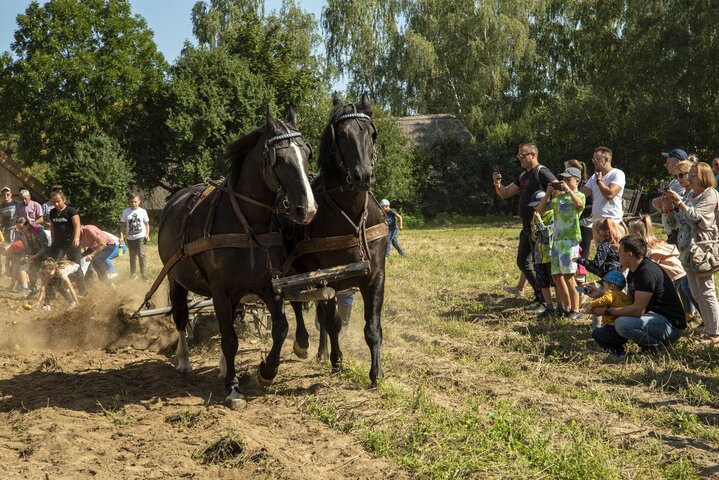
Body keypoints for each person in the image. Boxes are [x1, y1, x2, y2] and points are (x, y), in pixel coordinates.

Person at [590, 235, 686, 353]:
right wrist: (601, 294)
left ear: (629, 254)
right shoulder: (634, 271)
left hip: (670, 325)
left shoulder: (646, 272)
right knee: (612, 327)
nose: (617, 254)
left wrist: (606, 311)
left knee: (621, 323)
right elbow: (628, 302)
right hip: (654, 319)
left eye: (619, 251)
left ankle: (655, 346)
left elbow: (637, 310)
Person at [493, 142, 557, 312]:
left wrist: (546, 208)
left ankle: (544, 300)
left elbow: (558, 187)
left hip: (538, 227)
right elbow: (505, 193)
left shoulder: (541, 172)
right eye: (518, 155)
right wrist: (497, 184)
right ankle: (541, 297)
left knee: (537, 264)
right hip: (527, 226)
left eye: (522, 155)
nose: (519, 158)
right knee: (523, 261)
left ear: (533, 155)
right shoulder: (523, 176)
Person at [663, 162, 719, 346]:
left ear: (704, 176)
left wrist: (679, 202)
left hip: (703, 250)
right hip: (688, 251)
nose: (689, 178)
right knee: (696, 292)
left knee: (706, 290)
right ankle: (709, 329)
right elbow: (677, 223)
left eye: (693, 174)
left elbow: (697, 218)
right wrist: (670, 208)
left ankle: (715, 334)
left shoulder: (710, 194)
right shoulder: (690, 195)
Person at [536, 166, 585, 319]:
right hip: (556, 241)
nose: (564, 182)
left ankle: (576, 310)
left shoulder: (579, 195)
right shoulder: (557, 197)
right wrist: (548, 194)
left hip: (570, 240)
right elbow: (540, 210)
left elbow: (579, 205)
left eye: (568, 179)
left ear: (577, 181)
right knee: (557, 275)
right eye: (563, 180)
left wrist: (568, 191)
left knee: (569, 275)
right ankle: (565, 306)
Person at [628, 215, 697, 322]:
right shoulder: (655, 242)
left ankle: (673, 318)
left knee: (668, 298)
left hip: (671, 274)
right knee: (684, 294)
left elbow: (650, 271)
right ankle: (688, 314)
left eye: (630, 233)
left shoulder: (647, 250)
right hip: (679, 269)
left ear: (637, 234)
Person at [588, 271, 632, 359]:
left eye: (604, 286)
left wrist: (592, 304)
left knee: (596, 333)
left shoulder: (610, 293)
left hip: (611, 328)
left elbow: (605, 299)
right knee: (615, 341)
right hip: (624, 332)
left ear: (611, 286)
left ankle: (615, 351)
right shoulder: (624, 296)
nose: (603, 289)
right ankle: (620, 351)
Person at [580, 147, 625, 228]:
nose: (594, 162)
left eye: (597, 159)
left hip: (612, 222)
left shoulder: (617, 174)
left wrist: (599, 181)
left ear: (606, 159)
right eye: (593, 159)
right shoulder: (594, 177)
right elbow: (582, 194)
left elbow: (610, 195)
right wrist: (567, 190)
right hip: (596, 222)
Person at [528, 190, 556, 317]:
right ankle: (549, 306)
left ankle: (560, 306)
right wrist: (534, 232)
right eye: (533, 206)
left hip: (550, 255)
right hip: (539, 256)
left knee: (555, 282)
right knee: (542, 283)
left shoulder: (552, 215)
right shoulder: (535, 216)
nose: (535, 208)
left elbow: (547, 234)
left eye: (537, 204)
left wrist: (539, 221)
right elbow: (535, 237)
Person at [651, 148, 689, 243]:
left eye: (668, 162)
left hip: (683, 236)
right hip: (676, 234)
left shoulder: (679, 182)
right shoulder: (675, 181)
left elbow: (659, 203)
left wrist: (667, 207)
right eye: (677, 176)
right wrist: (669, 210)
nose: (665, 164)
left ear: (677, 162)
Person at [16, 216, 50, 295]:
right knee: (31, 270)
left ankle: (48, 291)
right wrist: (26, 256)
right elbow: (26, 247)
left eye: (21, 228)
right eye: (18, 229)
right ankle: (34, 288)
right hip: (34, 254)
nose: (19, 230)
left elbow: (45, 246)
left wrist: (35, 256)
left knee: (45, 272)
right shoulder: (22, 235)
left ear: (27, 225)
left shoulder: (37, 230)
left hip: (45, 253)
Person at [120, 194, 150, 280]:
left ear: (139, 202)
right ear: (129, 202)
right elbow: (122, 225)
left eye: (135, 202)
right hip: (130, 237)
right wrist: (121, 237)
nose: (134, 203)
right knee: (132, 256)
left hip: (141, 236)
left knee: (141, 254)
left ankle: (143, 275)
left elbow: (147, 224)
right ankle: (133, 274)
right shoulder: (126, 212)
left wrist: (147, 234)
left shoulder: (143, 211)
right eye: (132, 202)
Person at [47, 190, 82, 264]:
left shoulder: (71, 211)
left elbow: (77, 225)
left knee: (76, 264)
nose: (56, 204)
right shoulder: (52, 212)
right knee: (53, 263)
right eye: (54, 202)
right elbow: (52, 228)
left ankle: (81, 275)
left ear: (64, 200)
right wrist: (53, 240)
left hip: (71, 242)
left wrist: (77, 238)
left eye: (58, 201)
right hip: (58, 242)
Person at [1, 186, 20, 276]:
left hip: (15, 230)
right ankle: (8, 271)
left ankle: (14, 270)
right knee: (6, 250)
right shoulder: (1, 206)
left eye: (7, 194)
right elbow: (1, 220)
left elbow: (22, 214)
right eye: (3, 194)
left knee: (15, 250)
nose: (6, 196)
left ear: (11, 194)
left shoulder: (17, 203)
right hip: (6, 230)